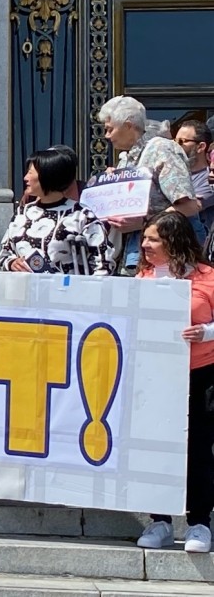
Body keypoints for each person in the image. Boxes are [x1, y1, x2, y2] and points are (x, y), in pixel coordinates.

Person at [134, 211, 214, 554]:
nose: (145, 244)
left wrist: (207, 332)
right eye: (145, 238)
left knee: (198, 449)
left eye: (153, 238)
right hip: (155, 376)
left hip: (200, 373)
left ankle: (199, 523)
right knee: (156, 447)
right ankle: (160, 521)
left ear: (174, 241)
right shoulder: (142, 277)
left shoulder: (208, 277)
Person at [97, 96, 200, 273]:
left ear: (128, 125)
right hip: (135, 253)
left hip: (169, 255)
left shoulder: (161, 149)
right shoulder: (126, 159)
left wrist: (143, 222)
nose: (106, 136)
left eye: (109, 129)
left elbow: (189, 206)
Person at [0, 148, 114, 276]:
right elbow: (5, 253)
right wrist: (12, 262)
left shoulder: (82, 216)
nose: (26, 178)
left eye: (31, 173)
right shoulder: (22, 213)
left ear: (49, 175)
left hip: (66, 292)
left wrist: (87, 290)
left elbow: (103, 262)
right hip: (24, 291)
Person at [174, 120, 214, 240]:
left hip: (196, 248)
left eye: (181, 142)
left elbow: (191, 207)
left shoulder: (210, 178)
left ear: (201, 147)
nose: (176, 147)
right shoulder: (172, 175)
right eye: (174, 141)